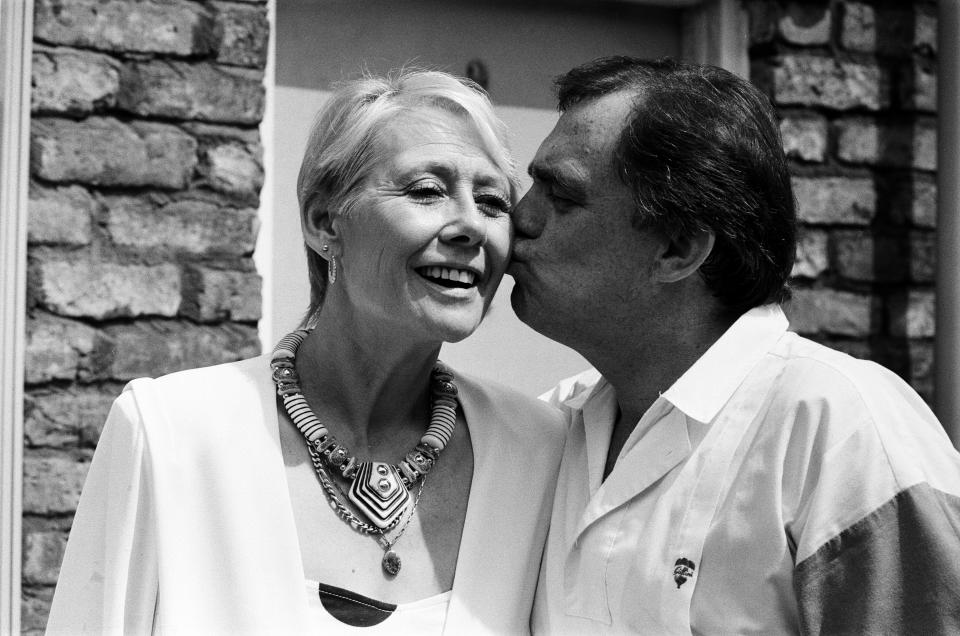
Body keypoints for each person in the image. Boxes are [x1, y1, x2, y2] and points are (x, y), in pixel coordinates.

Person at [47, 69, 566, 635]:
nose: (470, 224)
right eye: (426, 191)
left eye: (492, 202)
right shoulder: (171, 433)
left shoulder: (538, 452)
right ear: (324, 222)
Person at [510, 56, 960, 634]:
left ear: (678, 248)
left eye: (561, 196)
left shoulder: (840, 426)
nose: (519, 215)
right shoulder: (552, 426)